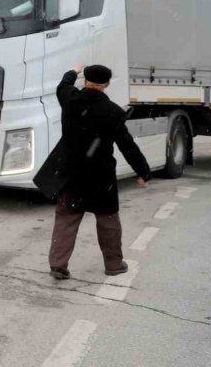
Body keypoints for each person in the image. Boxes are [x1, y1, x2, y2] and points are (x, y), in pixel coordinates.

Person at [48, 64, 151, 280]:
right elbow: (127, 144)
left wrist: (72, 71)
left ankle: (58, 264)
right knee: (108, 220)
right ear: (106, 84)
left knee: (66, 218)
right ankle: (113, 264)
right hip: (101, 175)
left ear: (85, 81)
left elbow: (63, 85)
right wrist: (142, 171)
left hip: (72, 173)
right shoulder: (113, 111)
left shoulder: (70, 100)